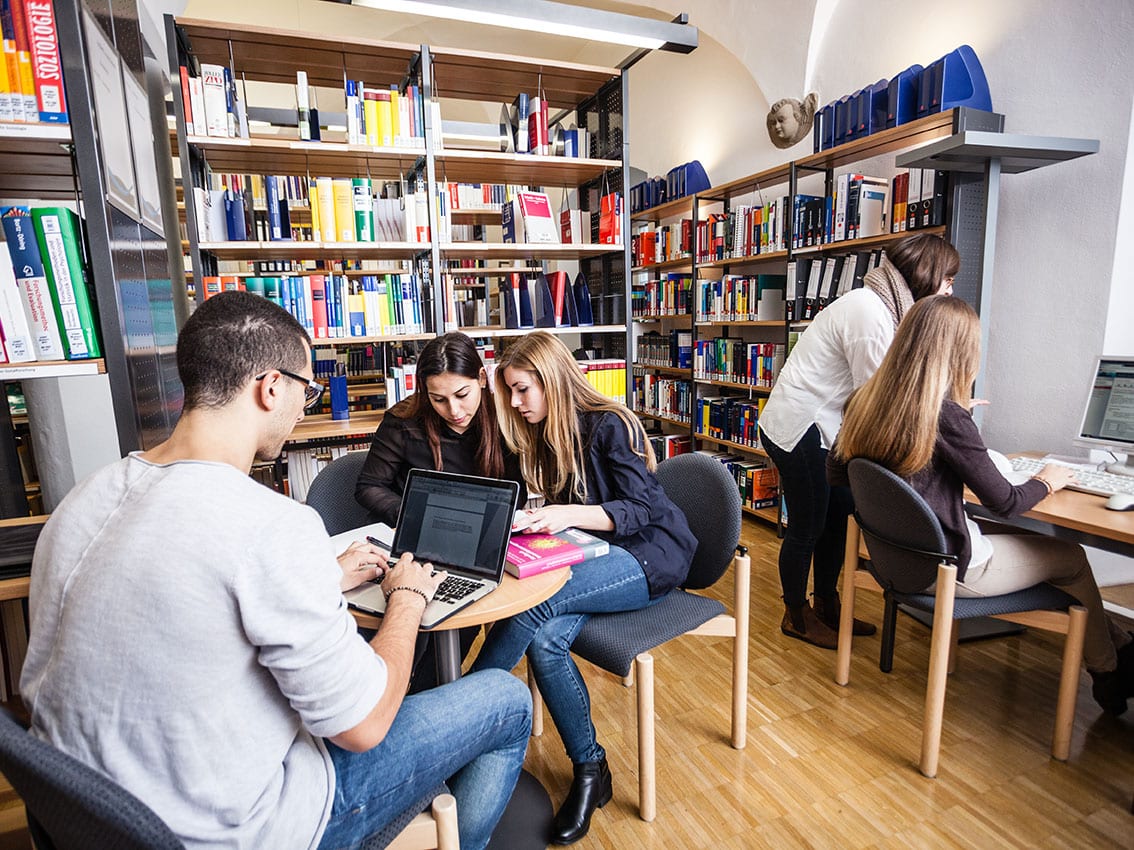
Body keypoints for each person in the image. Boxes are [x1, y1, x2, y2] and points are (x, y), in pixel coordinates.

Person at [20, 292, 532, 850]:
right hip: (250, 829)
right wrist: (408, 596)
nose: (303, 409)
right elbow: (363, 727)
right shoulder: (271, 525)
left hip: (95, 821)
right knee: (506, 701)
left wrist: (319, 576)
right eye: (307, 391)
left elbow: (192, 594)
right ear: (271, 387)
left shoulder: (82, 501)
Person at [829, 295, 1134, 715]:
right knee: (1072, 559)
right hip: (950, 569)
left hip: (895, 561)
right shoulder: (948, 419)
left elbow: (839, 474)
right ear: (960, 354)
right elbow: (1005, 501)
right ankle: (1109, 671)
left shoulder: (863, 401)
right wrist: (1047, 480)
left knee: (1030, 545)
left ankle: (1117, 645)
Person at [470, 331, 697, 845]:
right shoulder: (544, 431)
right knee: (547, 640)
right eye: (508, 391)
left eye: (523, 389)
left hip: (649, 556)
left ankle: (466, 717)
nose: (515, 402)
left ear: (552, 379)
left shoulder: (609, 425)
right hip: (593, 557)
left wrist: (559, 515)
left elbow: (642, 511)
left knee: (531, 609)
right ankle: (592, 771)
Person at [759, 233, 960, 649]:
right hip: (801, 428)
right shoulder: (871, 316)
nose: (951, 290)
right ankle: (796, 615)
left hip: (831, 431)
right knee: (808, 526)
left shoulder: (884, 308)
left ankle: (828, 606)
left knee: (838, 520)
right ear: (927, 275)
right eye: (948, 280)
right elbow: (879, 398)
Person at [356, 332, 526, 692]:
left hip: (482, 552)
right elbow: (368, 487)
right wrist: (417, 516)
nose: (454, 411)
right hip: (419, 549)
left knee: (459, 620)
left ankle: (429, 700)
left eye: (463, 395)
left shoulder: (506, 416)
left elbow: (518, 494)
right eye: (438, 399)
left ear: (482, 378)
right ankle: (405, 700)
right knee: (410, 627)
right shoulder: (404, 421)